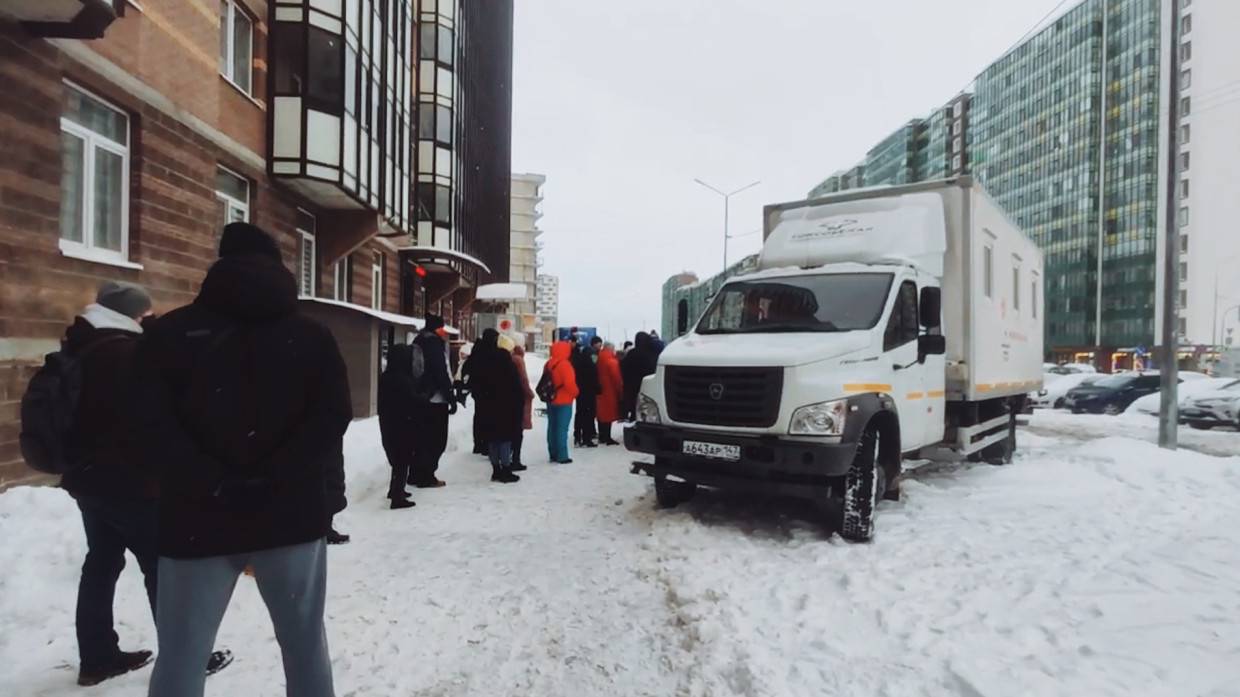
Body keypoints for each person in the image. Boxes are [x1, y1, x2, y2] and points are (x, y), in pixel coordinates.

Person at [137, 222, 351, 697]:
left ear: (219, 265)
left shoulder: (169, 334)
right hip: (290, 516)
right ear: (277, 267)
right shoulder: (311, 336)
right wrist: (276, 476)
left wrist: (213, 480)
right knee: (304, 648)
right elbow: (332, 416)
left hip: (195, 518)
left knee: (182, 656)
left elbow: (150, 424)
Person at [57, 282, 232, 687]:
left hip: (88, 480)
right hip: (131, 483)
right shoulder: (125, 353)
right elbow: (145, 420)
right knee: (163, 568)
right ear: (134, 316)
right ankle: (187, 657)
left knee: (100, 564)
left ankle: (97, 656)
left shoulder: (81, 343)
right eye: (147, 315)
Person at [469, 330, 523, 483]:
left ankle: (496, 470)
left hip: (488, 406)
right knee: (505, 439)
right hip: (505, 407)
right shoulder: (508, 364)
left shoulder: (486, 361)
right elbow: (515, 388)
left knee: (493, 439)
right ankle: (506, 469)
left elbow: (478, 383)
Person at [411, 314, 456, 488]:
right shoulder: (434, 344)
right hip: (435, 398)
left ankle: (415, 474)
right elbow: (440, 372)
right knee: (436, 440)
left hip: (420, 396)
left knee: (421, 437)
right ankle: (426, 475)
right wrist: (450, 397)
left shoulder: (418, 340)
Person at [377, 344, 419, 510]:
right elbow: (411, 399)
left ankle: (395, 489)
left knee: (397, 458)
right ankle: (397, 496)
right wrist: (424, 398)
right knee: (403, 459)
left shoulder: (386, 376)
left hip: (388, 422)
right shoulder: (403, 379)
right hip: (403, 423)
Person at [545, 340, 580, 464]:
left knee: (552, 427)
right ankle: (562, 455)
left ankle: (552, 453)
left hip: (550, 399)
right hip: (564, 400)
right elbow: (569, 384)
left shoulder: (549, 363)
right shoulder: (565, 365)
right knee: (562, 429)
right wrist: (576, 393)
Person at [621, 332, 659, 422]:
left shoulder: (631, 354)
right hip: (646, 387)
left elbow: (623, 368)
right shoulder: (651, 354)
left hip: (631, 387)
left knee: (634, 409)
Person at [572, 336, 601, 447]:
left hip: (580, 390)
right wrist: (597, 387)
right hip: (589, 391)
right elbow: (594, 373)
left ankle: (577, 437)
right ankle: (587, 438)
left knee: (580, 413)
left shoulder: (579, 359)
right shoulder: (592, 356)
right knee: (589, 415)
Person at [511, 343, 535, 471]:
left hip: (510, 399)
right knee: (517, 431)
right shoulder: (519, 360)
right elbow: (523, 380)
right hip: (519, 399)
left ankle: (508, 457)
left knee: (511, 430)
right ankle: (515, 459)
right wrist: (530, 394)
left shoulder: (510, 358)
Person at [596, 342, 624, 446]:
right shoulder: (611, 361)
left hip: (600, 389)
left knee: (601, 414)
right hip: (610, 390)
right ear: (610, 349)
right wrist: (620, 391)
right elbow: (616, 379)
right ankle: (607, 437)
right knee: (608, 414)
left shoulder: (599, 357)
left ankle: (602, 435)